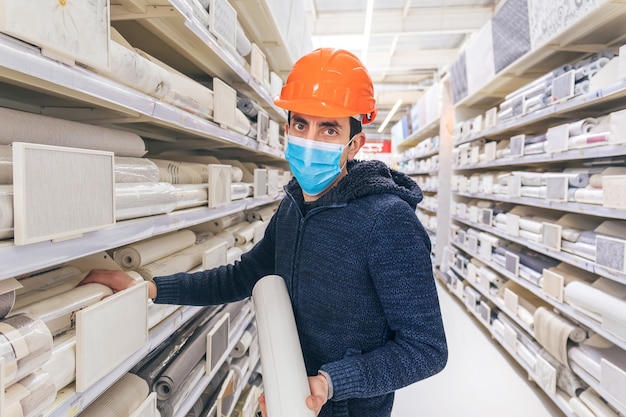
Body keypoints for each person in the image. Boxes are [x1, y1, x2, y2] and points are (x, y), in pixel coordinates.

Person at [81, 48, 448, 417]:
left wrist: (331, 382)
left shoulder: (388, 221)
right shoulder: (293, 206)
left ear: (354, 144)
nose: (310, 139)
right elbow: (244, 276)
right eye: (301, 124)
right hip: (284, 393)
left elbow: (426, 348)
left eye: (329, 128)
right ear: (286, 129)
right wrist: (150, 288)